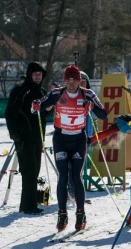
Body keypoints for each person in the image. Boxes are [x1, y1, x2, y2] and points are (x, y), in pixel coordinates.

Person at [32, 65, 107, 231]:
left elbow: (104, 114)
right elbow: (40, 106)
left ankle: (80, 214)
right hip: (60, 139)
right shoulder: (56, 93)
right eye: (68, 80)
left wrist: (92, 107)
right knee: (63, 176)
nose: (71, 83)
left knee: (76, 176)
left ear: (80, 80)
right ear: (64, 80)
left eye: (75, 79)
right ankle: (62, 213)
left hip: (79, 140)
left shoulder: (87, 94)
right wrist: (36, 105)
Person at [5, 62, 47, 215]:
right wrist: (14, 133)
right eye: (35, 73)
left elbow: (43, 115)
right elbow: (9, 112)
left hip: (37, 138)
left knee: (34, 172)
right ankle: (28, 206)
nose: (38, 76)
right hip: (23, 138)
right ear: (29, 74)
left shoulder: (42, 91)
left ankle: (29, 204)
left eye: (40, 74)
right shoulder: (20, 91)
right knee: (28, 172)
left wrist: (48, 109)